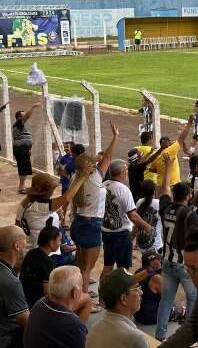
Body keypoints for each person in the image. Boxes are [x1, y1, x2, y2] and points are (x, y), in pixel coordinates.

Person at [71, 122, 119, 298]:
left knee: (79, 262)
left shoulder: (74, 178)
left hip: (78, 223)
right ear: (89, 167)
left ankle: (75, 290)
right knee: (86, 269)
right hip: (92, 225)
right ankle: (83, 299)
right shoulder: (94, 178)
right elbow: (108, 158)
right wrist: (115, 136)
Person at [155, 154, 198, 342]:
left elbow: (164, 189)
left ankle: (159, 336)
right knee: (193, 299)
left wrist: (166, 169)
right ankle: (187, 339)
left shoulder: (165, 207)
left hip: (167, 261)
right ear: (188, 196)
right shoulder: (190, 215)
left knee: (166, 299)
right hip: (184, 265)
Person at [101, 159, 154, 279]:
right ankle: (120, 295)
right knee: (123, 269)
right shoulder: (123, 190)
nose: (127, 173)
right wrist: (147, 226)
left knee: (108, 265)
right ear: (121, 172)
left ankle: (103, 296)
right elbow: (133, 216)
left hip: (106, 230)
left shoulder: (103, 185)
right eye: (126, 170)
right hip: (121, 233)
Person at [15, 169, 88, 248]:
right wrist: (82, 178)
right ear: (46, 191)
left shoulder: (25, 203)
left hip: (32, 247)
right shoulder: (41, 206)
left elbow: (19, 225)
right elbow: (66, 198)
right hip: (44, 250)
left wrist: (55, 216)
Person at [22, 266, 92, 348]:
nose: (82, 290)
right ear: (75, 292)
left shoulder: (40, 303)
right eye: (81, 287)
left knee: (86, 298)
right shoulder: (73, 325)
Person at [86, 268, 148, 348]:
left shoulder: (94, 329)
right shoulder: (135, 338)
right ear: (123, 299)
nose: (141, 292)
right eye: (136, 289)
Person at [134, 250, 185, 326]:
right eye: (158, 259)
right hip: (149, 316)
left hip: (137, 313)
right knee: (183, 308)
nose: (160, 261)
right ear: (152, 262)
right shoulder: (156, 278)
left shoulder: (139, 271)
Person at [0, 225, 29, 348]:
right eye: (25, 240)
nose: (27, 245)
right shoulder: (10, 282)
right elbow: (27, 321)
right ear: (16, 246)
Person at [19, 226, 61, 308]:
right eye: (59, 240)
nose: (60, 243)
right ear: (51, 243)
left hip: (24, 298)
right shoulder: (48, 262)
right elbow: (47, 293)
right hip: (36, 304)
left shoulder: (30, 253)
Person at [148, 117, 192, 188]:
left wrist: (161, 169)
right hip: (172, 185)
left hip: (160, 185)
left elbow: (151, 169)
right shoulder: (171, 150)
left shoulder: (155, 156)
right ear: (168, 143)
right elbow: (181, 138)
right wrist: (189, 124)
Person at [12, 104, 40, 194]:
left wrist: (28, 149)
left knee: (26, 168)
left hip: (24, 149)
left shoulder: (21, 125)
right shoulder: (18, 123)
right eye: (23, 114)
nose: (26, 115)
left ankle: (23, 185)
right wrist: (33, 107)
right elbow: (27, 116)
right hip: (20, 149)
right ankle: (21, 187)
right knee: (23, 168)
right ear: (19, 117)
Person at [135, 180, 164, 253]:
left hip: (141, 244)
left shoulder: (139, 202)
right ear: (154, 191)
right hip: (156, 245)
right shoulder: (158, 203)